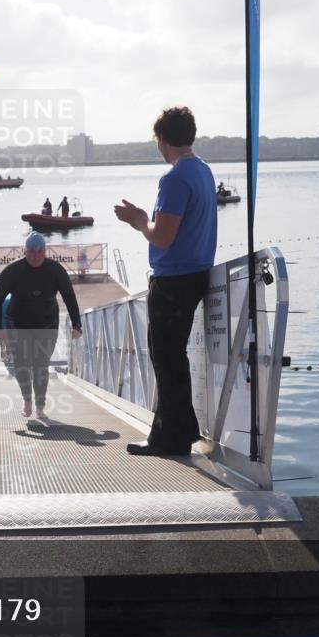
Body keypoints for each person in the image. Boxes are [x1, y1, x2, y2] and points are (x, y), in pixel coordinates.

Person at [114, 105, 216, 457]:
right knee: (175, 358)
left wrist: (139, 220)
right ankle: (182, 429)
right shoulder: (203, 171)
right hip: (197, 273)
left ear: (162, 139)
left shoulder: (174, 179)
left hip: (174, 280)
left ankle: (168, 439)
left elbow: (163, 237)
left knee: (166, 358)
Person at [0, 233, 83, 419]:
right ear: (25, 251)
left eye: (40, 251)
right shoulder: (13, 271)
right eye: (32, 251)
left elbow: (69, 297)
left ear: (45, 252)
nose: (36, 255)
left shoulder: (55, 270)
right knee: (21, 365)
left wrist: (77, 324)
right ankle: (27, 400)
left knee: (41, 365)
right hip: (18, 323)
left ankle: (40, 407)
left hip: (47, 324)